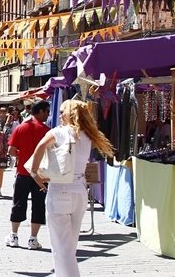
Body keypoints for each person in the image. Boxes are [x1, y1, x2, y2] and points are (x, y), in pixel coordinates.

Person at [29, 100, 114, 277]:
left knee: (61, 246)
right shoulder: (89, 134)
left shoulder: (59, 132)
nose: (59, 115)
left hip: (60, 189)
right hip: (79, 190)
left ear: (71, 114)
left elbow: (39, 148)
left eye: (62, 112)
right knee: (70, 245)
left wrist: (35, 174)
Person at [5, 100, 51, 249]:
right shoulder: (46, 130)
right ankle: (33, 239)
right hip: (41, 174)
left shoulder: (20, 128)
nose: (48, 114)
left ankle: (14, 235)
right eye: (47, 111)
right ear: (41, 111)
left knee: (18, 203)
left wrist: (22, 155)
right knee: (38, 205)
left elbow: (11, 151)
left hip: (23, 172)